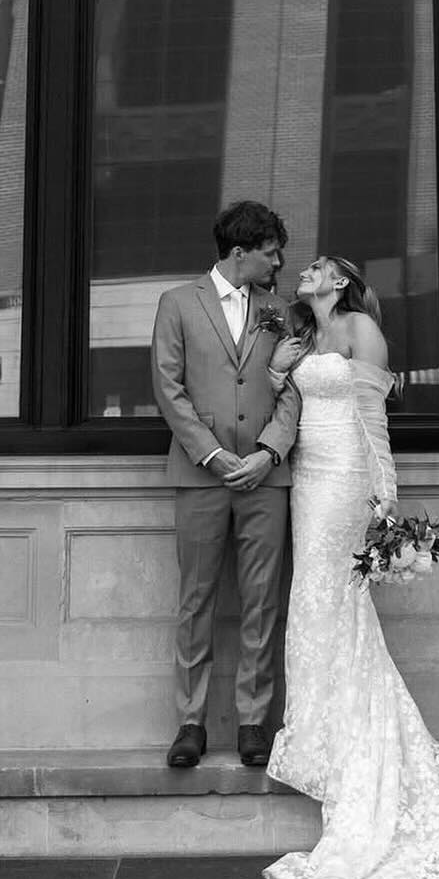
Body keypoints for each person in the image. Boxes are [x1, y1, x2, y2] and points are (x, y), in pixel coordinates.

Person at [263, 255, 439, 879]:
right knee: (311, 593)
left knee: (334, 594)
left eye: (318, 266)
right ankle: (320, 718)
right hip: (307, 472)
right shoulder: (301, 335)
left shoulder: (360, 326)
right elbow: (285, 400)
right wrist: (279, 368)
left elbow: (374, 417)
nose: (306, 270)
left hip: (348, 475)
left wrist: (384, 495)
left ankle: (349, 728)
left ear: (342, 281)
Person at [150, 200, 300, 771]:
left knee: (262, 601)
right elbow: (168, 387)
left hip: (267, 479)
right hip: (199, 475)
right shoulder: (176, 304)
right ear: (240, 253)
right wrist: (211, 454)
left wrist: (269, 452)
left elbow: (293, 391)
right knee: (197, 601)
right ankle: (189, 722)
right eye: (270, 251)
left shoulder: (282, 311)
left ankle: (252, 723)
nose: (279, 260)